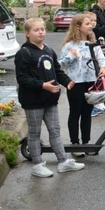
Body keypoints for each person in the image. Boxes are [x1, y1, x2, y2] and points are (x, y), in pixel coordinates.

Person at [15, 18, 85, 177]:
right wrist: (42, 85)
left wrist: (67, 82)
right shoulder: (24, 53)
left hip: (50, 100)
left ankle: (63, 162)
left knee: (55, 131)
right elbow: (22, 79)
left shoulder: (48, 51)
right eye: (36, 30)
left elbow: (57, 71)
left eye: (43, 29)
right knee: (34, 133)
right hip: (33, 101)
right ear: (27, 33)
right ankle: (37, 165)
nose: (41, 32)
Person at [59, 14, 105, 151]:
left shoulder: (93, 45)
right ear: (78, 27)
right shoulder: (69, 46)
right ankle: (75, 143)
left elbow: (102, 59)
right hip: (75, 84)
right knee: (75, 112)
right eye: (87, 24)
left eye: (91, 23)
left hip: (91, 82)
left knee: (87, 113)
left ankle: (86, 143)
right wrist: (70, 57)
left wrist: (104, 68)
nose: (91, 25)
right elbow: (60, 66)